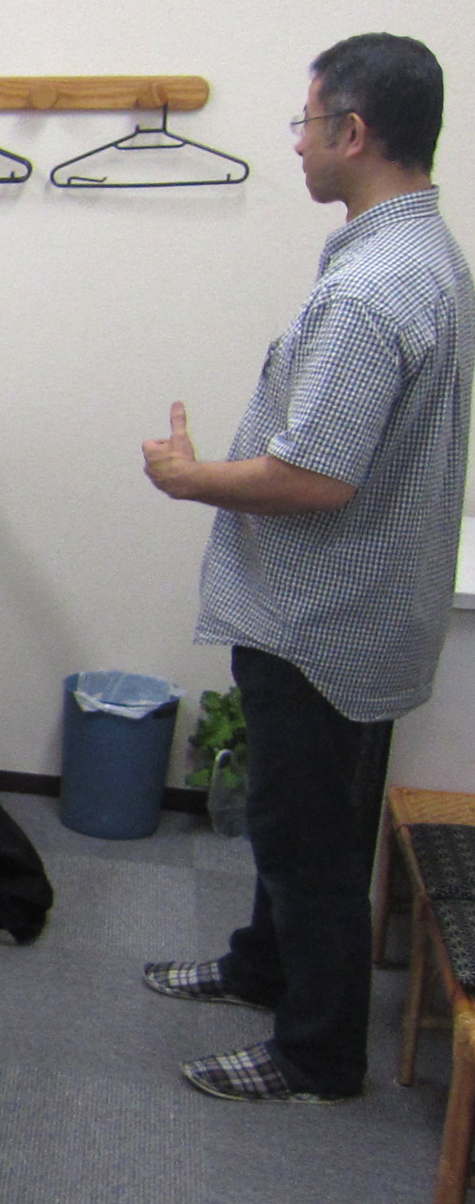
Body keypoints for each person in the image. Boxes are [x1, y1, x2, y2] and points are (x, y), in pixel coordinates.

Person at [139, 34, 472, 1103]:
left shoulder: (375, 287)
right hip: (365, 610)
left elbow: (318, 478)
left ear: (354, 133)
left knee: (309, 843)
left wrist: (191, 480)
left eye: (304, 121)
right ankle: (259, 969)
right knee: (306, 822)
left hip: (321, 621)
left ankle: (317, 1051)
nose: (296, 142)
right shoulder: (425, 258)